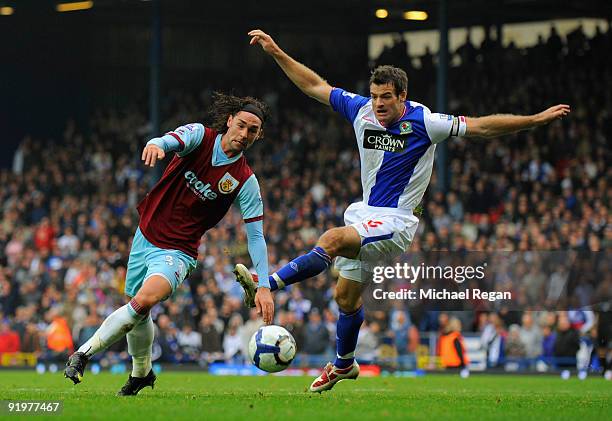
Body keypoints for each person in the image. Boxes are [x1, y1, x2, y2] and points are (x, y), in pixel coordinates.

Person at [235, 29, 570, 393]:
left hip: (396, 221)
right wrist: (277, 52)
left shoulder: (426, 122)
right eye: (375, 96)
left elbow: (482, 127)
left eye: (386, 98)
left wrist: (534, 120)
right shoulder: (361, 109)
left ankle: (266, 284)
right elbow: (314, 86)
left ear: (402, 97)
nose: (378, 104)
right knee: (345, 298)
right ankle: (344, 364)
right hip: (364, 213)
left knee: (330, 240)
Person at [64, 92, 275, 395]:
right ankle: (142, 373)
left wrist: (264, 285)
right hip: (145, 235)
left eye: (252, 130)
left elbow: (255, 235)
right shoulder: (200, 137)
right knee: (139, 311)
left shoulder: (245, 180)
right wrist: (156, 144)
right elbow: (172, 139)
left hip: (178, 251)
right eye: (241, 125)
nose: (244, 134)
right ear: (229, 120)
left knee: (144, 301)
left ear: (259, 135)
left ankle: (82, 354)